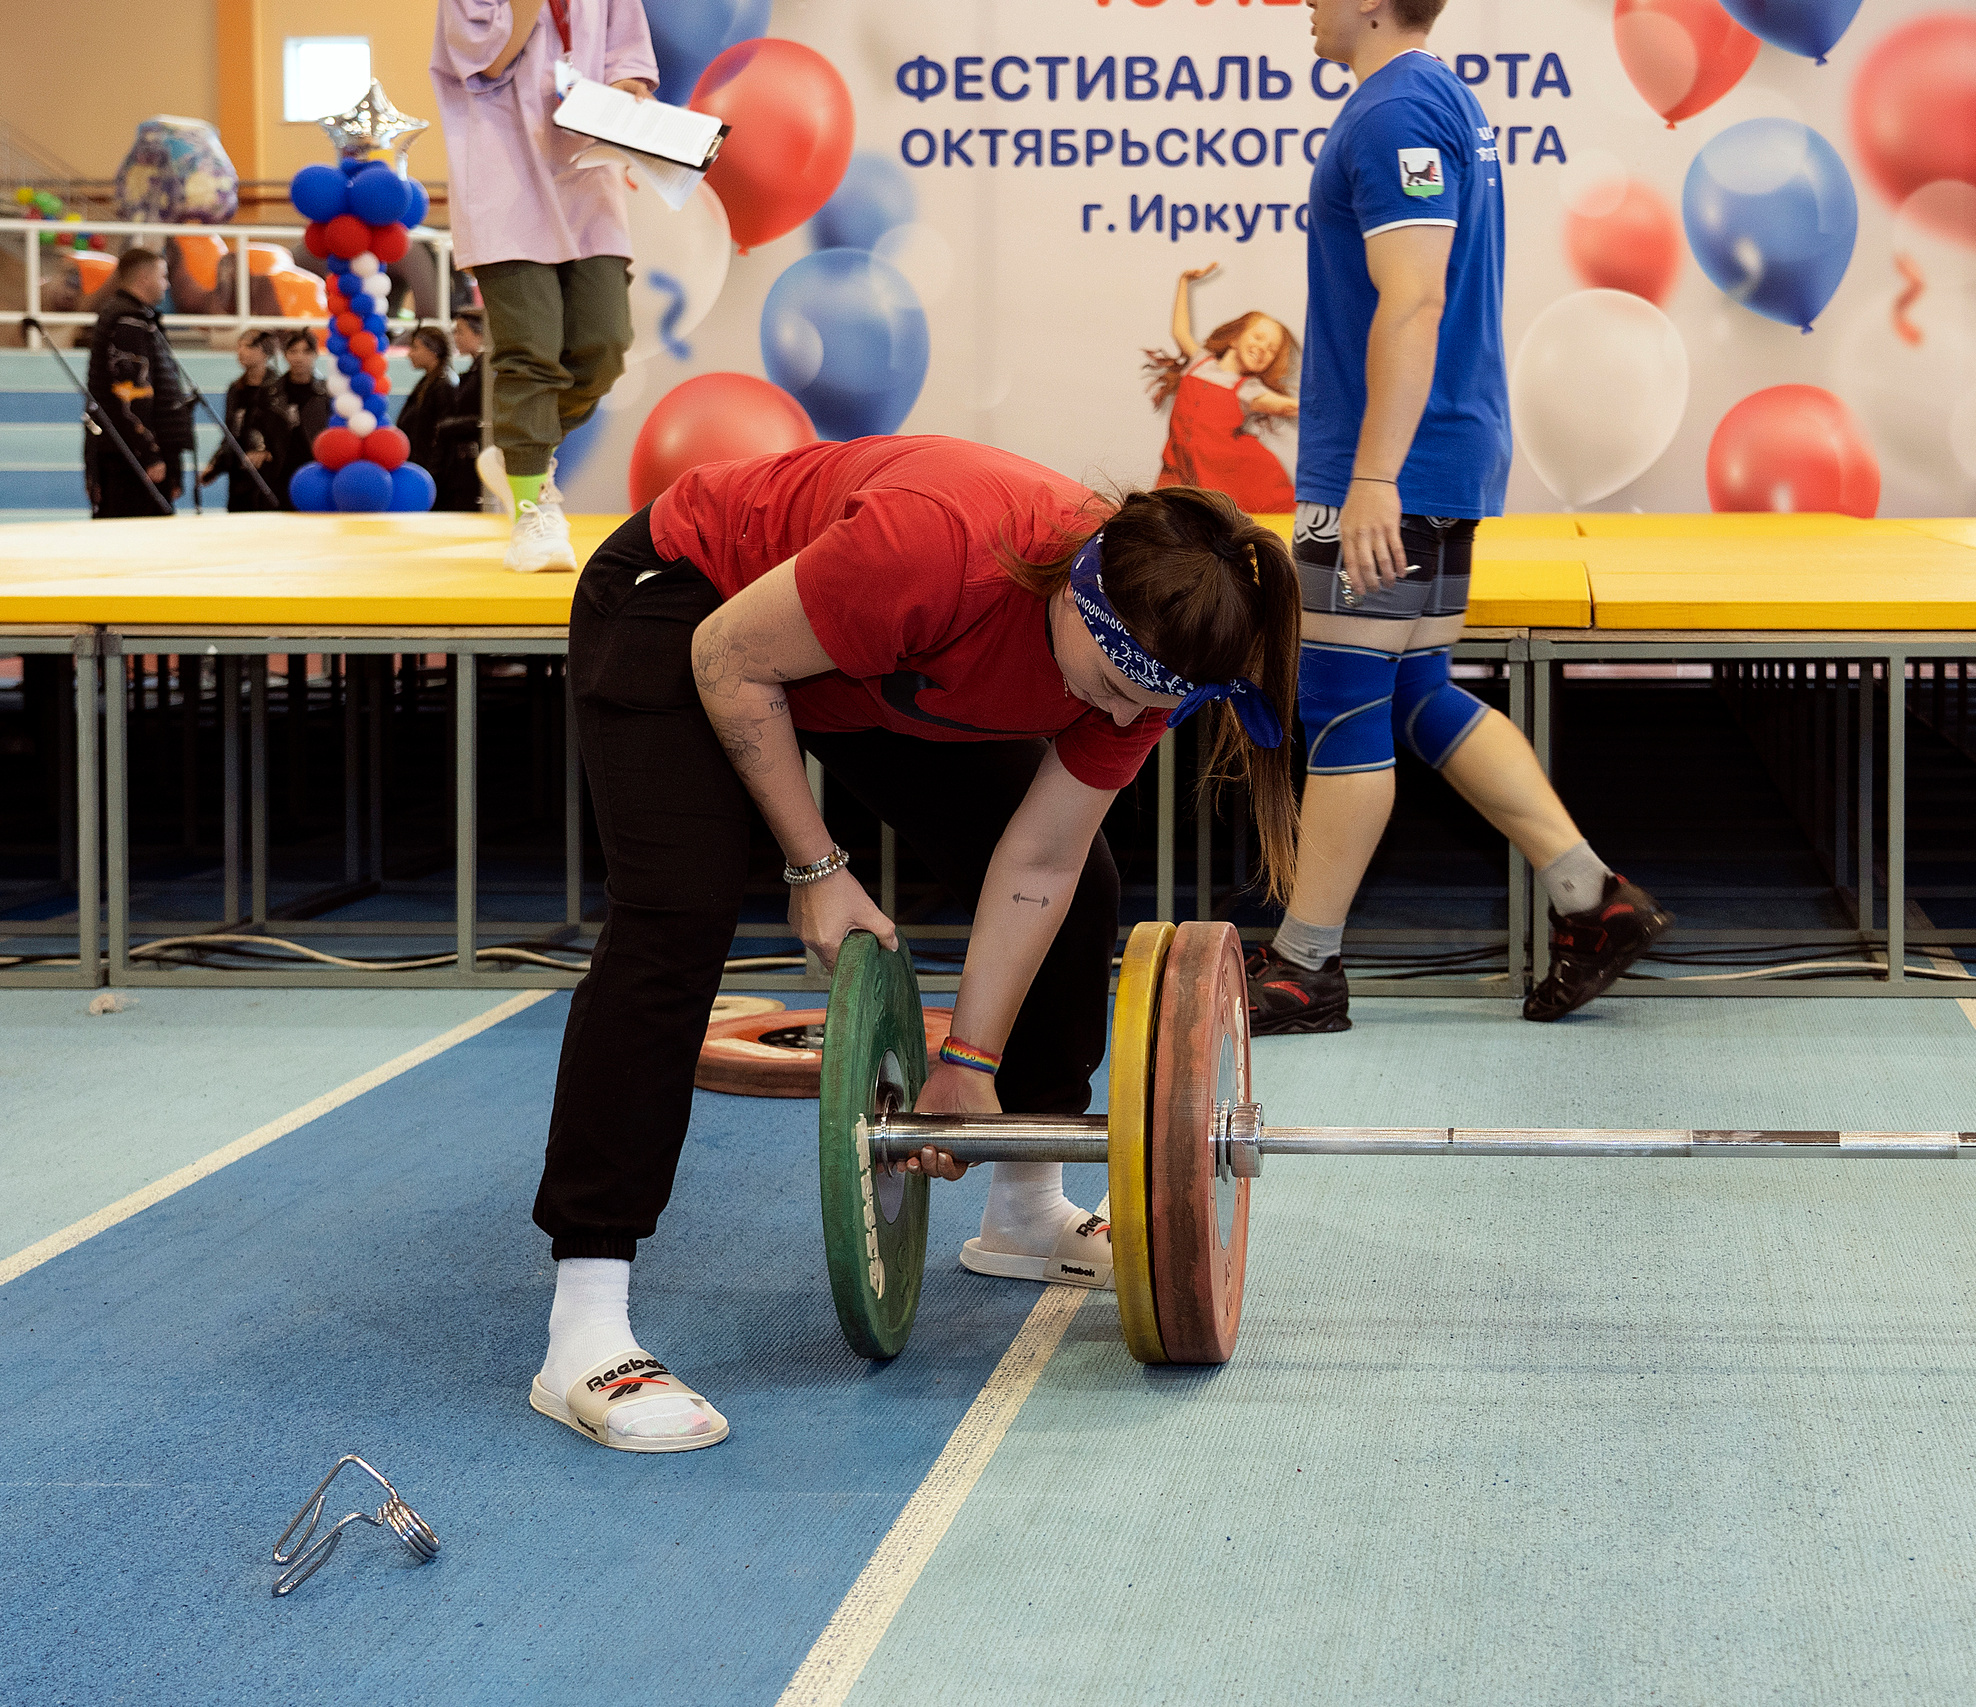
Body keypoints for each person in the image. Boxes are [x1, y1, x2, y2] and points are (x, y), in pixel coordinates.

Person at [525, 434, 1300, 1452]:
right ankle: (584, 1324)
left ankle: (1023, 1210)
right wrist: (813, 866)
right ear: (1076, 592)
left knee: (1089, 882)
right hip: (695, 599)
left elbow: (1038, 865)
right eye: (1114, 687)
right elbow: (727, 658)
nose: (1118, 717)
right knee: (678, 910)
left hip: (858, 663)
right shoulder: (938, 550)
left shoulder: (1147, 648)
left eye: (1148, 707)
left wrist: (969, 1065)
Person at [1249, 0, 1672, 1037]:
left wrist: (1371, 477)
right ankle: (1588, 894)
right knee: (1416, 691)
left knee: (1342, 697)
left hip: (1400, 464)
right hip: (1433, 452)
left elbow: (1416, 300)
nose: (1306, 4)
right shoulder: (1427, 102)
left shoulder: (1395, 112)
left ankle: (1304, 968)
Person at [432, 0, 658, 571]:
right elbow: (482, 61)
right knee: (530, 351)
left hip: (588, 171)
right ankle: (531, 511)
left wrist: (628, 89)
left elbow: (627, 54)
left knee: (605, 344)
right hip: (504, 176)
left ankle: (522, 452)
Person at [1144, 263, 1300, 514]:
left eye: (1272, 349)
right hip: (1178, 467)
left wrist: (1326, 406)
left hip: (1219, 472)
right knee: (1161, 520)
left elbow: (1284, 405)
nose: (1263, 348)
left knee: (1221, 522)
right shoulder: (1200, 362)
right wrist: (1183, 281)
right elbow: (1180, 331)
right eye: (1258, 337)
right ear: (1235, 338)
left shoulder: (1247, 389)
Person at [82, 248, 187, 519]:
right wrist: (149, 453)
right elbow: (129, 396)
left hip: (130, 453)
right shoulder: (128, 321)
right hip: (129, 460)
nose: (168, 284)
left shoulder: (136, 317)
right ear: (143, 278)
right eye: (163, 276)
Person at [202, 328, 286, 513]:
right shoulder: (236, 388)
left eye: (248, 346)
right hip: (241, 472)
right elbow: (231, 433)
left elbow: (285, 434)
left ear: (265, 352)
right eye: (239, 346)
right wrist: (215, 465)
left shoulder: (279, 389)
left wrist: (267, 452)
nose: (240, 352)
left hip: (269, 473)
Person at [266, 329, 332, 510]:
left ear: (315, 354)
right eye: (293, 351)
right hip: (280, 471)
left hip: (315, 469)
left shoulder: (326, 393)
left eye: (306, 352)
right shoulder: (271, 392)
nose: (299, 357)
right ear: (285, 355)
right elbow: (259, 427)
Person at [434, 310, 487, 512]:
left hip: (473, 464)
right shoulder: (475, 370)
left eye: (460, 332)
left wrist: (448, 426)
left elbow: (486, 418)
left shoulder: (487, 371)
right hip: (462, 463)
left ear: (480, 334)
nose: (455, 339)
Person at [395, 322, 459, 458]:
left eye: (415, 348)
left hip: (431, 469)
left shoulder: (444, 385)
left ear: (434, 351)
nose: (409, 354)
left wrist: (433, 471)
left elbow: (442, 437)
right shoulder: (428, 382)